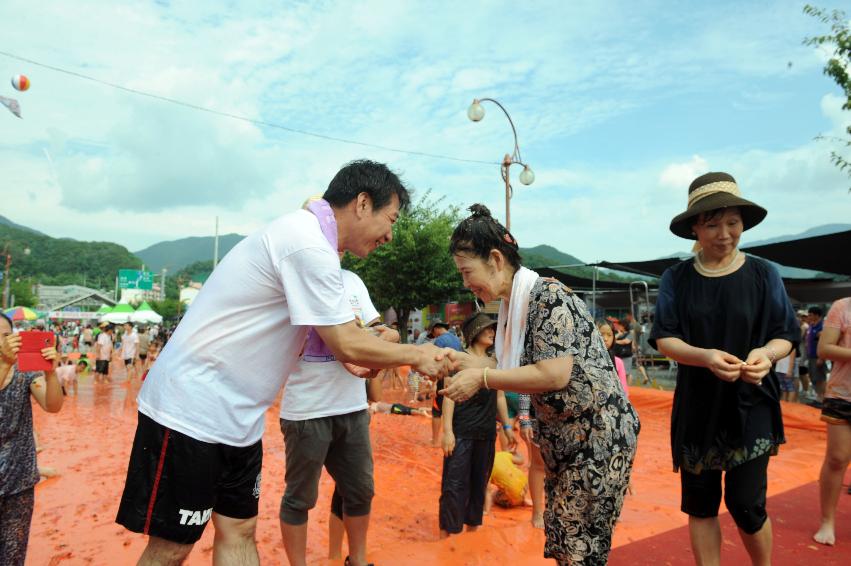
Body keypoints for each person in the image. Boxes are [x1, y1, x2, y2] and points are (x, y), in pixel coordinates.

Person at [115, 160, 452, 566]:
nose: (390, 236)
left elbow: (348, 344)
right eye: (391, 219)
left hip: (240, 419)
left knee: (239, 531)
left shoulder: (315, 240)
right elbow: (347, 342)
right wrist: (419, 355)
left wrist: (376, 354)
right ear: (363, 203)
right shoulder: (307, 242)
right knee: (173, 546)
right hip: (192, 410)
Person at [442, 204, 640, 565]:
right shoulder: (512, 309)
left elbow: (554, 373)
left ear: (497, 260)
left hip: (594, 438)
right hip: (565, 442)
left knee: (578, 545)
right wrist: (468, 363)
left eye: (467, 271)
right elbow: (510, 367)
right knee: (566, 539)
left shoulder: (548, 297)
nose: (466, 283)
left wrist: (482, 376)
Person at [650, 172, 799, 566]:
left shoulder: (763, 274)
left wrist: (766, 355)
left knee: (747, 504)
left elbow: (785, 333)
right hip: (699, 407)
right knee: (700, 505)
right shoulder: (677, 279)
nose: (724, 233)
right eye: (712, 224)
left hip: (752, 404)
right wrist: (706, 356)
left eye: (732, 222)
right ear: (695, 228)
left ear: (743, 223)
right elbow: (666, 338)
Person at [279, 266, 399, 566]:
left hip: (353, 408)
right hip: (307, 411)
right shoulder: (295, 280)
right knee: (300, 498)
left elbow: (375, 329)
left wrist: (391, 334)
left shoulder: (353, 281)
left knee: (360, 491)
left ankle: (357, 561)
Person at [439, 312, 515, 539]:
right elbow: (448, 397)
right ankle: (447, 534)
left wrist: (508, 428)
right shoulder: (458, 360)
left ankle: (471, 532)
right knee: (454, 484)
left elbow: (499, 397)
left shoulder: (495, 362)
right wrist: (448, 432)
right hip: (461, 431)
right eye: (487, 329)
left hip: (486, 433)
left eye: (493, 329)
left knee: (479, 483)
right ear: (474, 333)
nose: (492, 332)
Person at [0, 312, 63, 565]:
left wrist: (50, 374)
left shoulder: (25, 371)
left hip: (20, 481)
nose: (2, 341)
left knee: (13, 555)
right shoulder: (9, 365)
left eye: (5, 335)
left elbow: (53, 405)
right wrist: (4, 363)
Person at [812, 297, 851, 546]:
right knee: (837, 458)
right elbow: (824, 349)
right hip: (843, 394)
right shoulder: (842, 307)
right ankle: (827, 520)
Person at [430, 319, 464, 448]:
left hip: (444, 377)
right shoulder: (456, 339)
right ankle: (453, 437)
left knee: (437, 410)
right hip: (458, 377)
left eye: (433, 333)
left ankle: (434, 440)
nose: (434, 335)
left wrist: (434, 384)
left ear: (436, 328)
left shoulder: (440, 341)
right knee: (453, 409)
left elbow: (437, 363)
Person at [598, 321, 629, 395]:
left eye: (609, 335)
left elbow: (623, 389)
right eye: (601, 334)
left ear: (614, 337)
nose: (605, 339)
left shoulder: (618, 362)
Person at [807, 306, 827, 405]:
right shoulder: (812, 325)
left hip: (818, 357)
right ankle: (819, 397)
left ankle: (824, 399)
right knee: (813, 378)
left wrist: (821, 357)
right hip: (811, 357)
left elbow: (825, 343)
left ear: (816, 315)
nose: (808, 316)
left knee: (820, 379)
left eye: (810, 315)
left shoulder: (823, 326)